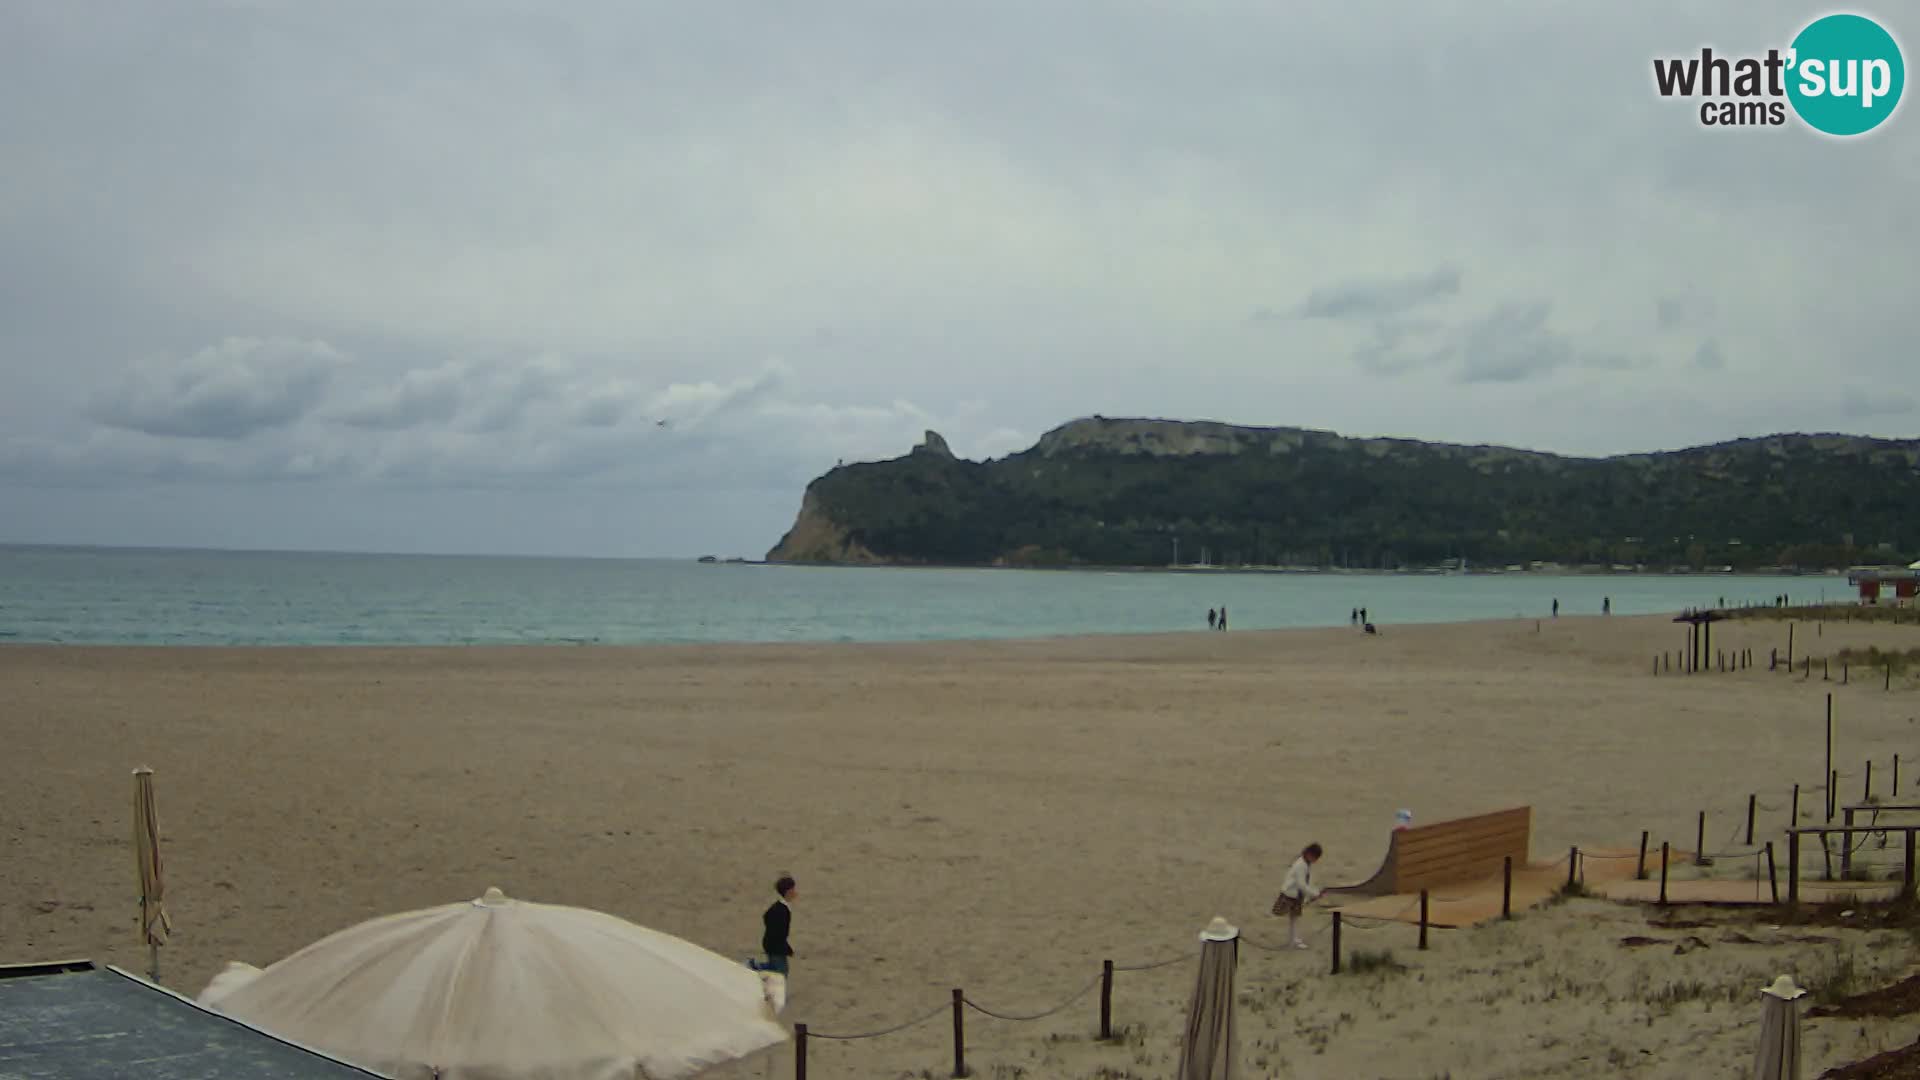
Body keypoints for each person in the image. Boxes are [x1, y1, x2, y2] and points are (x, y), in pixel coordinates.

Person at [1270, 843, 1324, 949]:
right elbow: (1302, 884)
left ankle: (1293, 939)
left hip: (1296, 894)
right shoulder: (1301, 865)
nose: (1315, 861)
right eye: (1315, 857)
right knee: (1293, 917)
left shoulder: (1304, 862)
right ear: (1309, 854)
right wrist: (1315, 893)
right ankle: (1293, 940)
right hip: (1291, 894)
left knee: (1294, 918)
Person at [748, 875, 796, 976]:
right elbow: (780, 932)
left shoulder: (778, 906)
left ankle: (755, 966)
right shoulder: (782, 910)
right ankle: (754, 967)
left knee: (775, 967)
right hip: (776, 946)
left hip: (772, 944)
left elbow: (766, 916)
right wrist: (786, 947)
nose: (795, 892)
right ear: (788, 892)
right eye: (793, 890)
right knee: (781, 971)